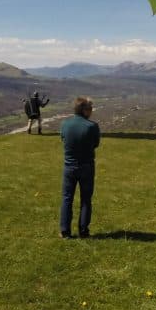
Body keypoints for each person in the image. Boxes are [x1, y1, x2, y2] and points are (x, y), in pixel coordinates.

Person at [59, 96, 100, 238]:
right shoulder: (92, 126)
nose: (91, 111)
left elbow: (63, 139)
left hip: (69, 166)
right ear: (85, 110)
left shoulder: (65, 124)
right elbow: (95, 144)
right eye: (90, 109)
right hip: (86, 166)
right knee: (86, 199)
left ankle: (65, 231)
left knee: (67, 198)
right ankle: (83, 231)